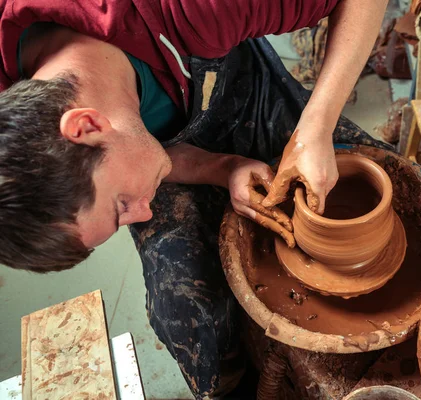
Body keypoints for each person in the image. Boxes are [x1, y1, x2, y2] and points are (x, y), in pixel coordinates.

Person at [0, 0, 389, 397]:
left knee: (390, 178)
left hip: (241, 93)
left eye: (121, 206)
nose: (143, 212)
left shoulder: (200, 9)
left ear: (86, 126)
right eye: (121, 218)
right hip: (162, 148)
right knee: (189, 317)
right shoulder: (14, 105)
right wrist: (224, 168)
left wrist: (315, 130)